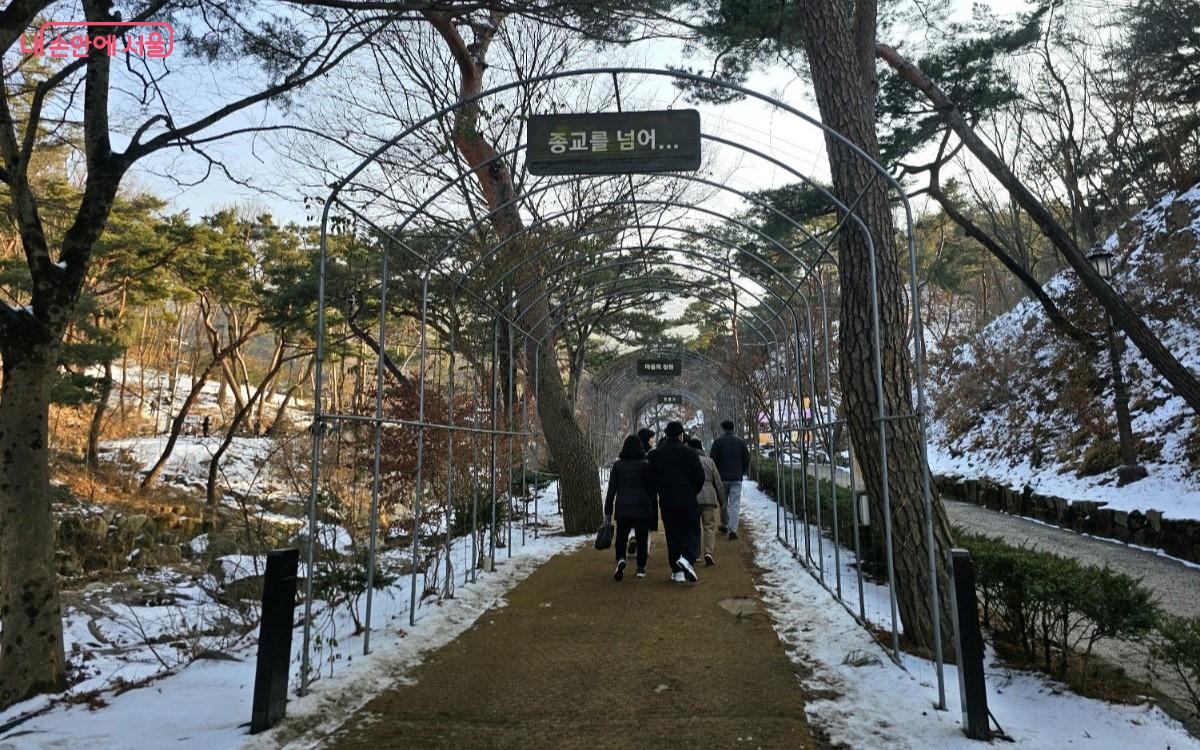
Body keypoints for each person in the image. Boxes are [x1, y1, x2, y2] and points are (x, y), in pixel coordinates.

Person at [647, 421, 703, 582]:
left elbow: (650, 479)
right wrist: (692, 492)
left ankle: (677, 572)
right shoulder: (691, 453)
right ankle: (687, 558)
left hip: (667, 501)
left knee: (672, 534)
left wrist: (660, 491)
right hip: (688, 500)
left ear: (666, 435)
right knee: (692, 530)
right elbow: (699, 477)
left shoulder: (656, 455)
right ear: (681, 435)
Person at [604, 435, 656, 580]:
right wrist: (649, 502)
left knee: (621, 537)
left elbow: (611, 490)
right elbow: (652, 488)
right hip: (642, 508)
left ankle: (621, 559)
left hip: (623, 508)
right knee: (641, 538)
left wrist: (608, 511)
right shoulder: (646, 465)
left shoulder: (618, 466)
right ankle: (640, 568)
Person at [687, 438, 726, 566]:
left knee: (694, 527)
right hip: (709, 497)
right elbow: (718, 482)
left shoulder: (688, 461)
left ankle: (696, 553)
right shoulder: (709, 461)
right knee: (709, 526)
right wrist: (721, 500)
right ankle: (708, 552)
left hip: (693, 498)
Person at [710, 419, 751, 540]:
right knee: (735, 504)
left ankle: (724, 524)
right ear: (733, 428)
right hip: (736, 477)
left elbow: (712, 460)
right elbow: (747, 458)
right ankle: (733, 529)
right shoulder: (741, 442)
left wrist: (716, 474)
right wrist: (741, 471)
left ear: (723, 429)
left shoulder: (718, 442)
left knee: (723, 502)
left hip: (722, 477)